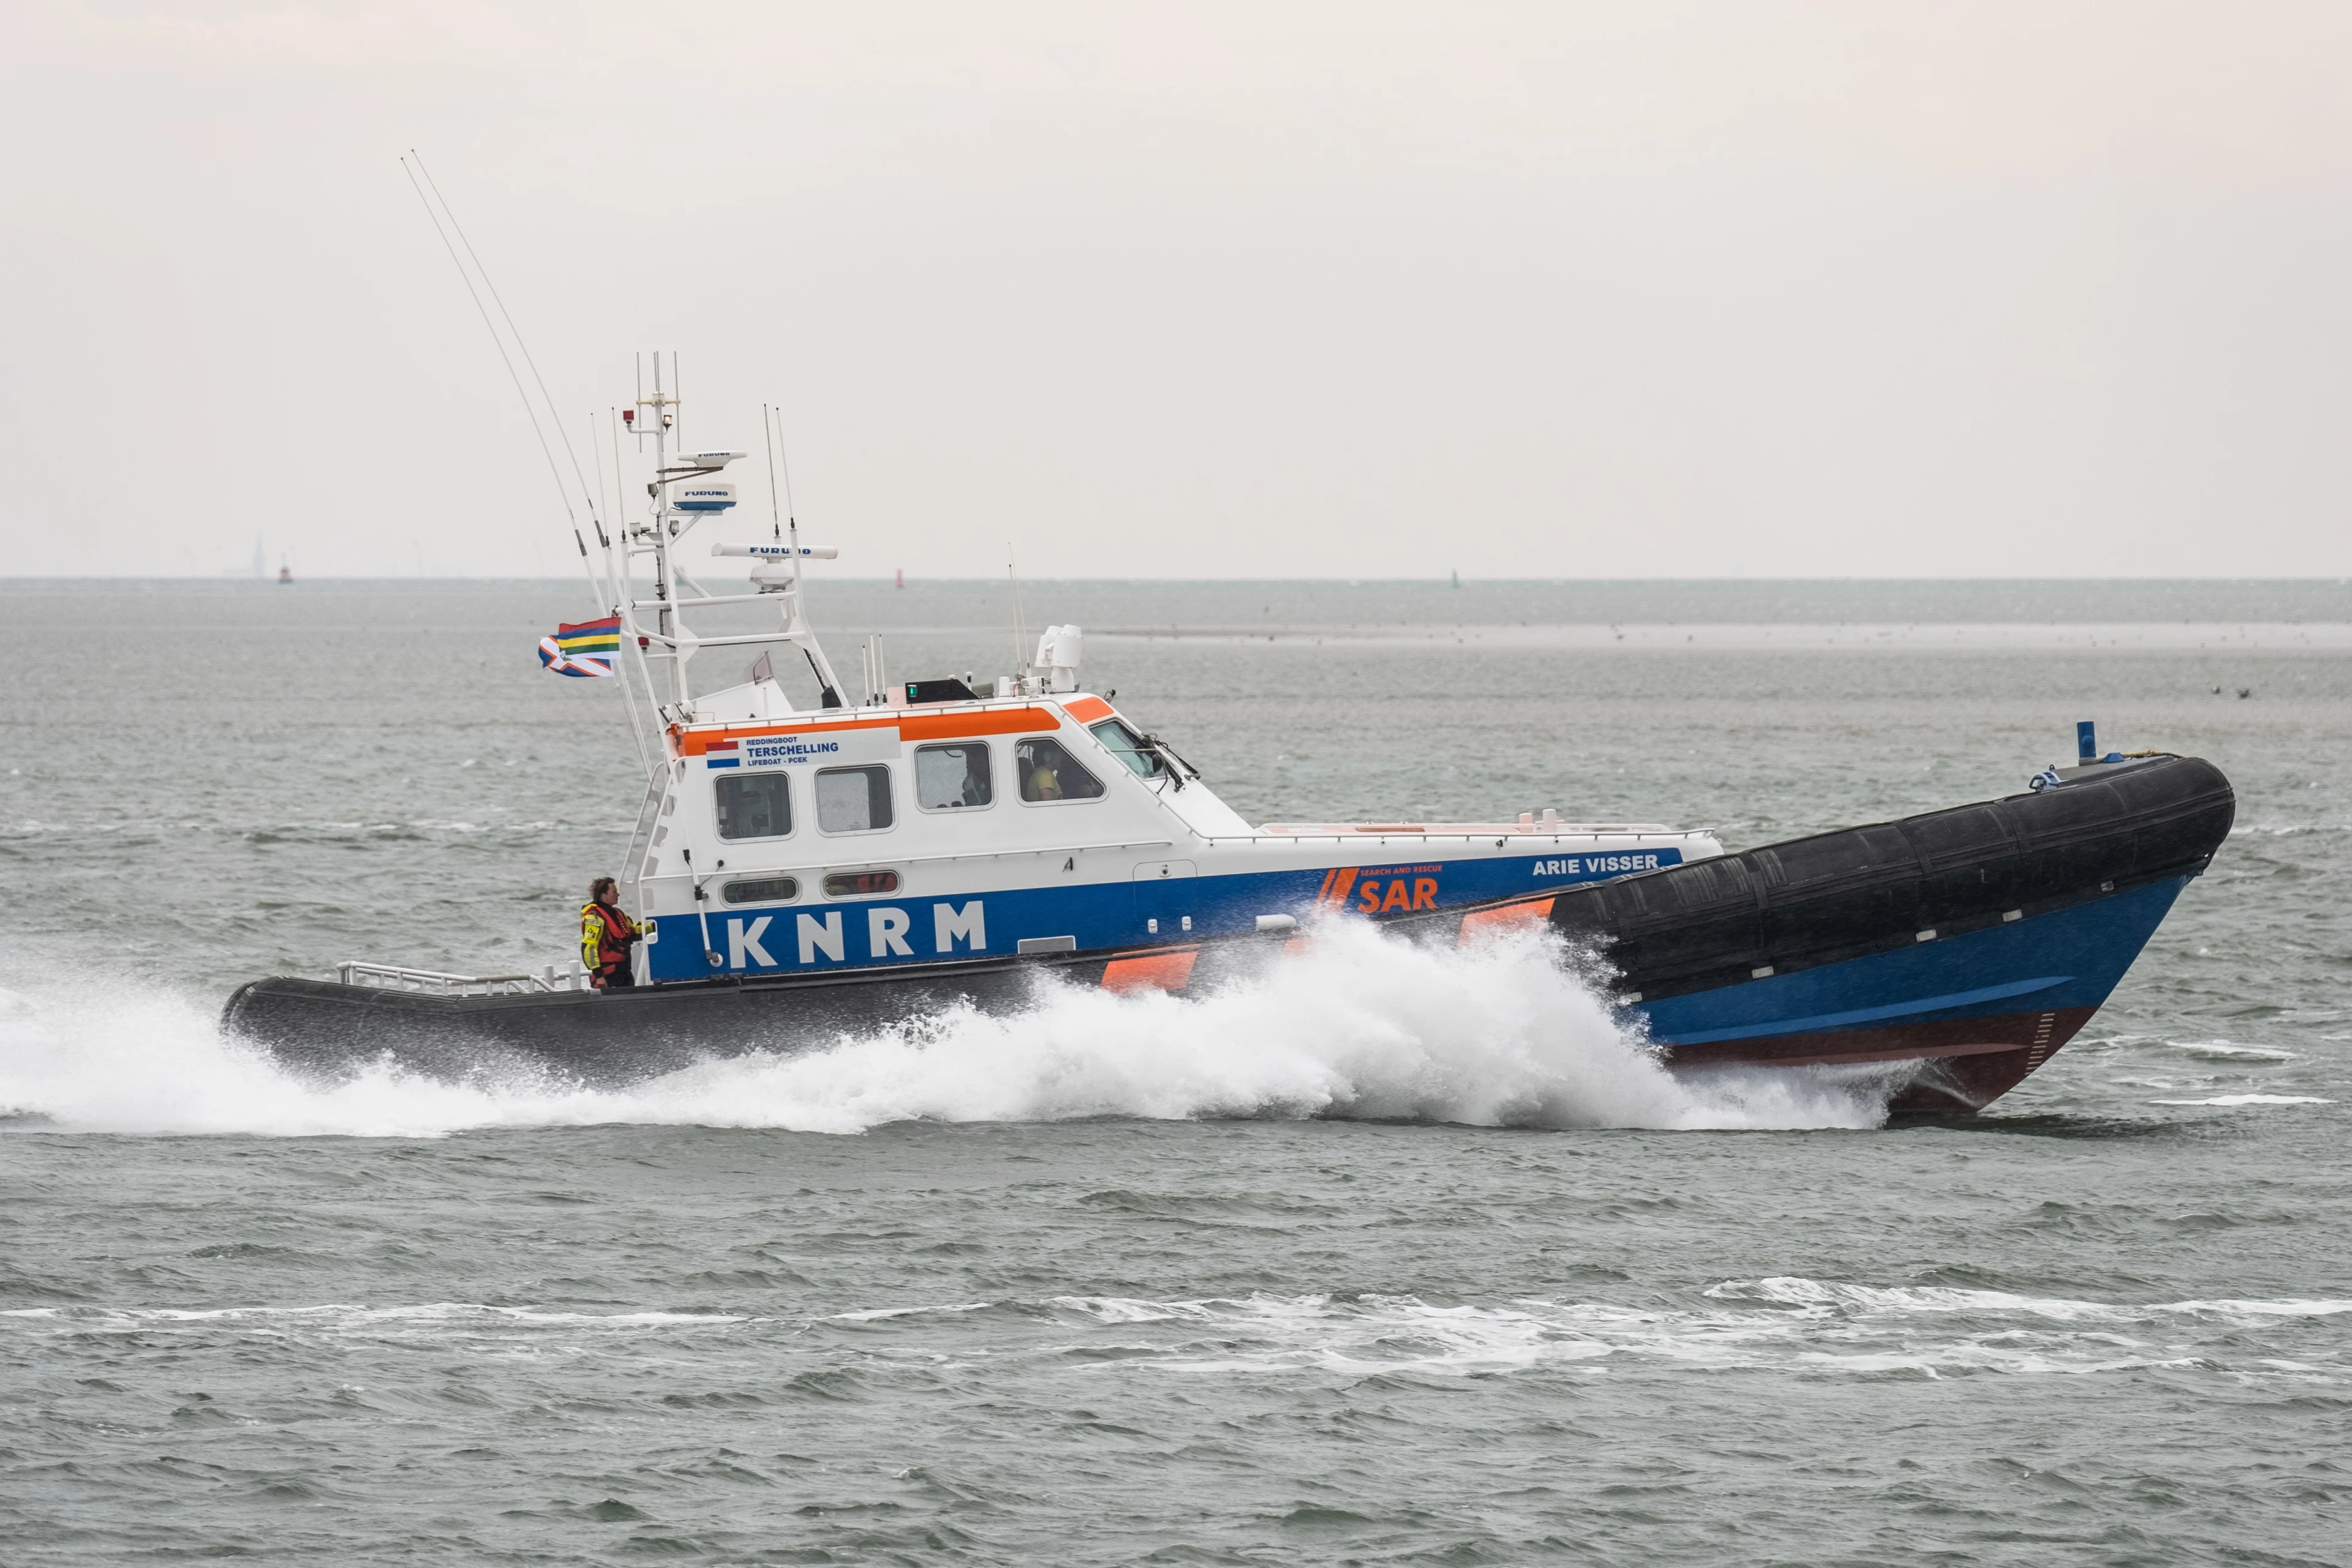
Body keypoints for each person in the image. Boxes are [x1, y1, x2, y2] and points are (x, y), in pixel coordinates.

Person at [581, 876, 647, 990]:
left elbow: (631, 933)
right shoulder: (595, 917)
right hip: (608, 975)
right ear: (603, 895)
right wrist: (599, 976)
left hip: (624, 971)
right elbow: (589, 948)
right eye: (614, 892)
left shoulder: (618, 913)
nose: (618, 895)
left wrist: (655, 927)